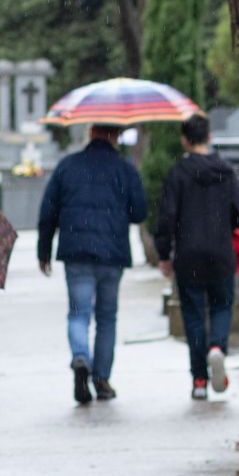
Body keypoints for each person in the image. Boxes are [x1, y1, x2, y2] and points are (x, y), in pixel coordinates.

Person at [36, 123, 148, 405]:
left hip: (77, 252)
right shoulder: (124, 169)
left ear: (91, 133)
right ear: (116, 136)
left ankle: (80, 356)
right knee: (107, 317)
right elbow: (140, 212)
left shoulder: (67, 166)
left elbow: (48, 211)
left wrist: (44, 251)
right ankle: (101, 379)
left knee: (78, 313)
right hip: (112, 254)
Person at [154, 114, 239, 400]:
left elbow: (167, 217)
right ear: (209, 137)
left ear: (184, 139)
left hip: (189, 254)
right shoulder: (225, 171)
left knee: (193, 316)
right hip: (220, 251)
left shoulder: (177, 174)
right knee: (221, 306)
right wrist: (223, 226)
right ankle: (218, 347)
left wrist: (164, 254)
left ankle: (198, 380)